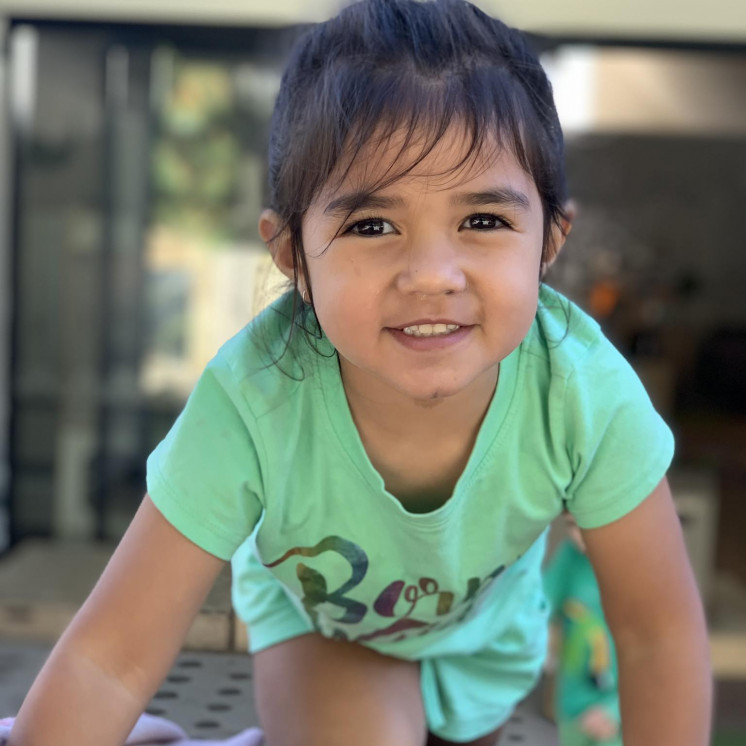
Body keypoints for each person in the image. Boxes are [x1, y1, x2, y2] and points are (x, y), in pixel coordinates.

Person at [9, 1, 711, 745]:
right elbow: (110, 657)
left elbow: (656, 634)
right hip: (322, 633)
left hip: (487, 647)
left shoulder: (583, 392)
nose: (433, 276)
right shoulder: (256, 397)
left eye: (484, 221)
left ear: (550, 241)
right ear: (292, 258)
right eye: (372, 226)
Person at [543, 514, 622, 746]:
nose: (580, 535)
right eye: (571, 525)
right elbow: (542, 604)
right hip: (571, 702)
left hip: (618, 704)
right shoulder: (570, 554)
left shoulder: (634, 562)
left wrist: (615, 709)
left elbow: (654, 654)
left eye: (590, 521)